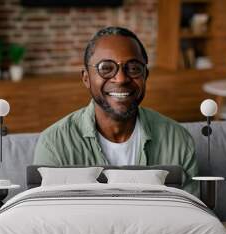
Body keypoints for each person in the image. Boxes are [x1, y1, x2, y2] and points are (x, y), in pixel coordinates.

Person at [33, 26, 198, 197]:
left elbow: (191, 214)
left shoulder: (179, 141)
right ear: (86, 78)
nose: (120, 79)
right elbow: (45, 217)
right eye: (106, 68)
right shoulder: (55, 144)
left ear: (145, 76)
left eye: (133, 68)